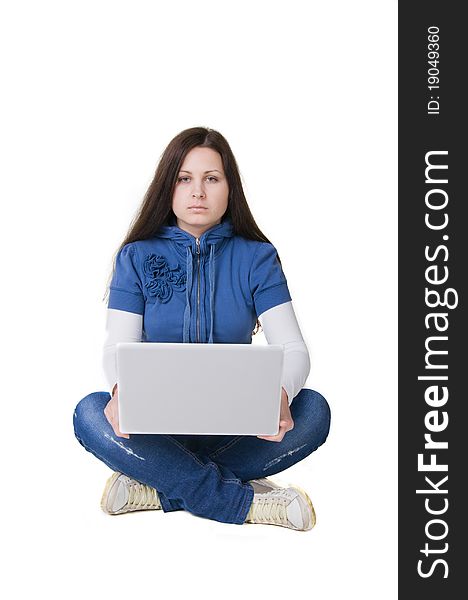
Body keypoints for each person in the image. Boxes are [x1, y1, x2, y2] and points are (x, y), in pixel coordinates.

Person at [73, 126, 331, 531]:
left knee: (313, 409)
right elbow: (116, 346)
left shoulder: (257, 258)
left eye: (211, 179)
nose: (198, 192)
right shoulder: (135, 257)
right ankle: (247, 504)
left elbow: (294, 347)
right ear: (168, 187)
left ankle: (160, 485)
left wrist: (280, 395)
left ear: (230, 188)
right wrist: (122, 392)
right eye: (185, 179)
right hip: (156, 433)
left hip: (238, 431)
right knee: (89, 413)